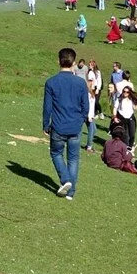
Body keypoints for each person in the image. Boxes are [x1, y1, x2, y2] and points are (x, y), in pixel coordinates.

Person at [42, 48, 89, 200]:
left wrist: (45, 124)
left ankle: (66, 180)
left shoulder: (51, 82)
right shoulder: (81, 83)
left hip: (58, 126)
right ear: (74, 63)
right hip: (75, 127)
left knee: (56, 153)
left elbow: (47, 107)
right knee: (73, 158)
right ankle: (71, 192)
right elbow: (85, 107)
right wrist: (80, 120)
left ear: (58, 61)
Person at [113, 86, 137, 152]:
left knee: (132, 134)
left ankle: (130, 147)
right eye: (124, 91)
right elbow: (115, 108)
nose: (125, 93)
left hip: (130, 118)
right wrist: (114, 117)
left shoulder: (131, 99)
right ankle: (124, 148)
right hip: (122, 119)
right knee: (124, 135)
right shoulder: (119, 99)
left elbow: (135, 108)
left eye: (127, 92)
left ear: (129, 93)